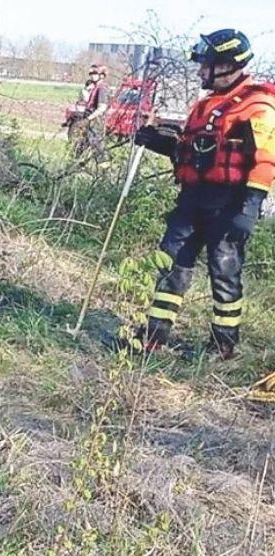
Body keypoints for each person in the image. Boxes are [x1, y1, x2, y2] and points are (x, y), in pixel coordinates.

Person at [133, 29, 273, 359]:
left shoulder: (258, 105)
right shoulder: (206, 105)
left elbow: (266, 159)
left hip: (230, 203)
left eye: (206, 65)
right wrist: (154, 140)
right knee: (172, 262)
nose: (200, 71)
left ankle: (223, 345)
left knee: (224, 270)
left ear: (226, 65)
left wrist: (250, 207)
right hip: (193, 198)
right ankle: (153, 337)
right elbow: (192, 151)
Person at [67, 64, 111, 161]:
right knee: (81, 145)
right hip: (90, 120)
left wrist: (88, 119)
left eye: (95, 73)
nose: (92, 75)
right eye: (91, 73)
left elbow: (102, 108)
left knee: (97, 146)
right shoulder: (94, 87)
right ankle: (74, 165)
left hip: (96, 122)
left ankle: (104, 170)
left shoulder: (102, 89)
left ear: (102, 75)